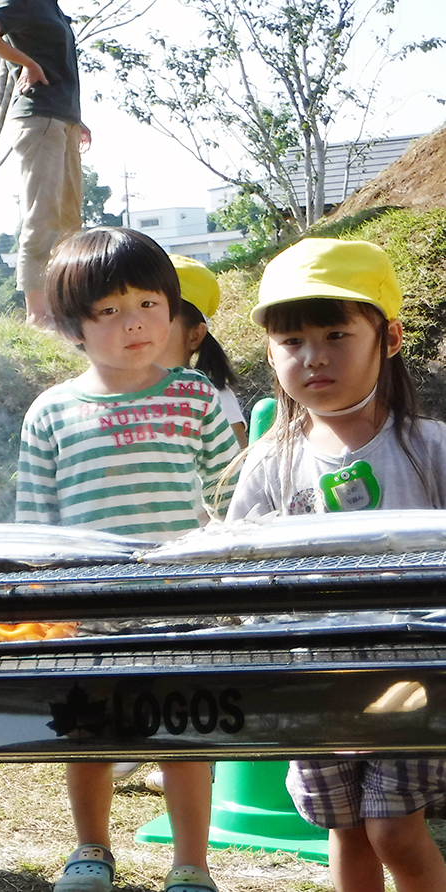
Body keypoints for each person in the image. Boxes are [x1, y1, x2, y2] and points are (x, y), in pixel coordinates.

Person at [15, 227, 239, 892]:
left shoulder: (192, 397)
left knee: (183, 735)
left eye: (146, 303)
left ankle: (190, 863)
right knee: (86, 732)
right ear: (72, 327)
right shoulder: (50, 412)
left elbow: (230, 503)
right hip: (88, 606)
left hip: (178, 602)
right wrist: (42, 600)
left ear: (171, 309)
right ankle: (89, 850)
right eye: (107, 311)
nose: (132, 323)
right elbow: (35, 523)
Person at [225, 238, 446, 892]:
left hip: (410, 677)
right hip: (312, 679)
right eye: (290, 341)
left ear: (390, 337)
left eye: (334, 333)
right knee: (345, 830)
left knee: (393, 830)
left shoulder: (425, 448)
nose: (312, 356)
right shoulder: (270, 461)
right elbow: (238, 566)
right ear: (269, 352)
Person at [0, 0, 90, 328]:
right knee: (43, 215)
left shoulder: (52, 8)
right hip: (38, 118)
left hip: (63, 119)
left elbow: (60, 69)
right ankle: (38, 314)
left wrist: (77, 119)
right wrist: (25, 63)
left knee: (71, 221)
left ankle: (65, 305)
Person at [161, 255, 248, 448]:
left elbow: (235, 472)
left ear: (194, 336)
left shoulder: (214, 398)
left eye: (159, 319)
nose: (138, 328)